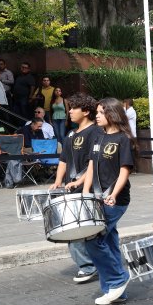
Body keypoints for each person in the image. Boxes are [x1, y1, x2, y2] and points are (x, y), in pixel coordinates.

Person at [82, 98, 135, 305]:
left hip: (116, 200)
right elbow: (90, 168)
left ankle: (118, 279)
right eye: (97, 112)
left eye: (101, 112)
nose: (96, 115)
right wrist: (85, 192)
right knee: (109, 240)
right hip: (95, 198)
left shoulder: (123, 139)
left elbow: (124, 171)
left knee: (93, 239)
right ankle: (116, 291)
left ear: (112, 114)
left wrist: (113, 194)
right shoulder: (98, 137)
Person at [49, 93, 101, 283]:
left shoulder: (95, 133)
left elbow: (93, 162)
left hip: (87, 188)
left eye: (73, 108)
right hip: (71, 188)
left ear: (86, 111)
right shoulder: (71, 134)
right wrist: (58, 181)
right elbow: (63, 160)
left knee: (79, 231)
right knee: (75, 230)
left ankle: (89, 266)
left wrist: (80, 182)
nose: (69, 111)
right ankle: (91, 264)